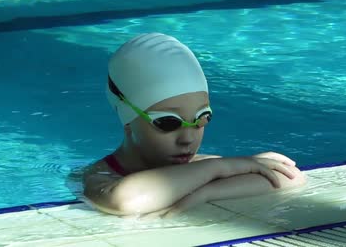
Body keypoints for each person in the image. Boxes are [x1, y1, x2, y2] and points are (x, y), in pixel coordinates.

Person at [82, 32, 307, 218]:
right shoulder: (98, 176)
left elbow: (292, 177)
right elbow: (126, 201)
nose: (188, 139)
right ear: (128, 118)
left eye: (201, 119)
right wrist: (219, 168)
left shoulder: (200, 166)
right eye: (168, 122)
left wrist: (207, 193)